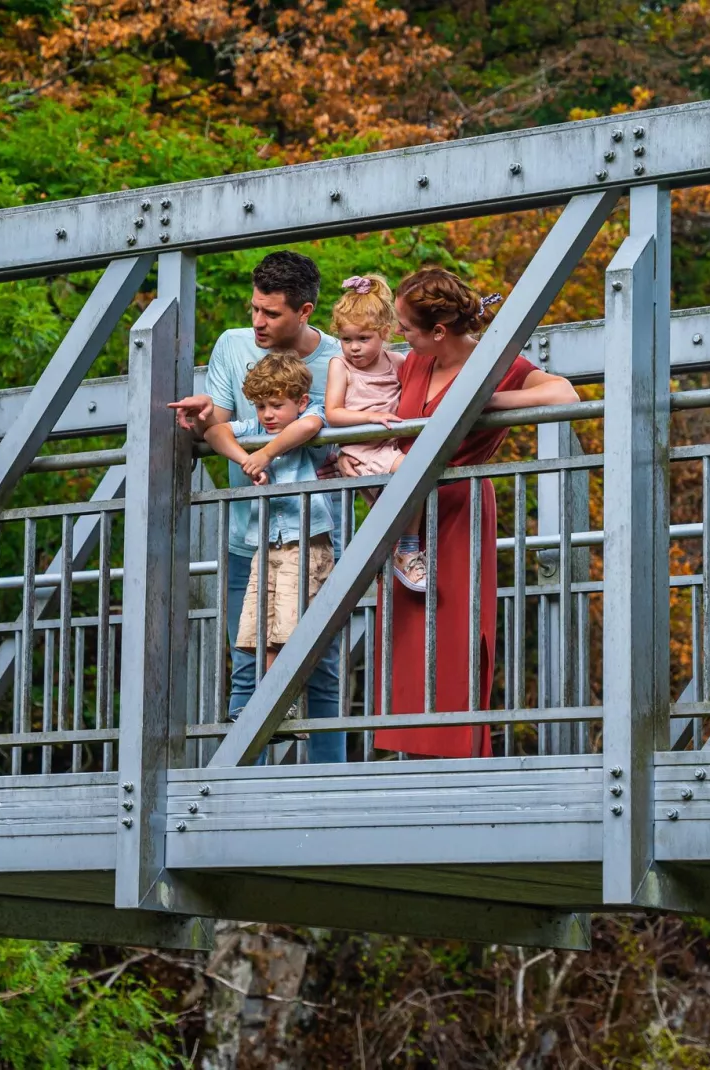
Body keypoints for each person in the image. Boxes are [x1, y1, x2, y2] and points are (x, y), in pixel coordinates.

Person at [372, 267, 578, 759]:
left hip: (460, 509)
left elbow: (565, 394)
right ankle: (412, 758)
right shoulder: (413, 363)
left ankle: (462, 755)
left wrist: (482, 402)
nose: (400, 335)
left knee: (458, 635)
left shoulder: (495, 363)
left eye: (405, 327)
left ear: (438, 330)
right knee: (403, 637)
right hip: (406, 514)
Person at [168, 250, 346, 763]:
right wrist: (237, 448)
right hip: (250, 529)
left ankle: (331, 786)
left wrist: (275, 452)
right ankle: (238, 782)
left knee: (322, 660)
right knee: (247, 655)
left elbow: (343, 421)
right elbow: (220, 422)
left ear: (306, 311)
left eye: (271, 313)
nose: (258, 322)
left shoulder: (337, 355)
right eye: (254, 309)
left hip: (317, 530)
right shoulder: (232, 345)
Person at [194, 352, 336, 674]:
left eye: (276, 405)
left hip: (306, 541)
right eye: (260, 406)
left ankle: (283, 706)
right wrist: (248, 459)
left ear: (300, 402)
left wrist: (267, 453)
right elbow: (214, 433)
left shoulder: (310, 414)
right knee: (263, 630)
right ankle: (271, 707)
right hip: (267, 543)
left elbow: (311, 425)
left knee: (290, 627)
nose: (267, 415)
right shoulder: (256, 426)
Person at [321, 273, 428, 592]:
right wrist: (371, 416)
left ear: (384, 333)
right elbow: (333, 413)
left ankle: (385, 553)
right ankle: (406, 549)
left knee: (403, 493)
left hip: (391, 445)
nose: (353, 348)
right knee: (407, 479)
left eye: (363, 339)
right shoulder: (341, 366)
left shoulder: (397, 362)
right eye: (346, 339)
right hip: (362, 451)